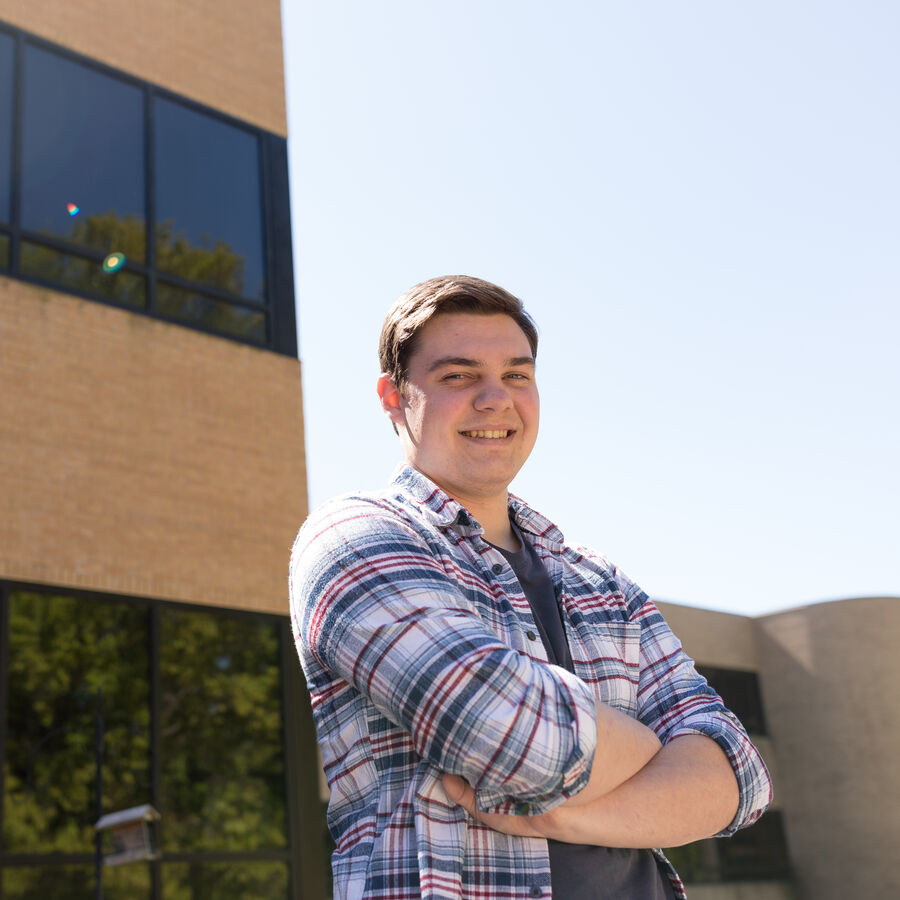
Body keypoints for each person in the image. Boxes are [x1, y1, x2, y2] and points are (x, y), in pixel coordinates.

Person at [289, 275, 772, 900]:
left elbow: (738, 776)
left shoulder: (599, 580)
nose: (496, 399)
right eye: (458, 376)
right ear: (393, 396)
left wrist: (564, 816)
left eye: (517, 374)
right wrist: (655, 748)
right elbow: (512, 739)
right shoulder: (355, 538)